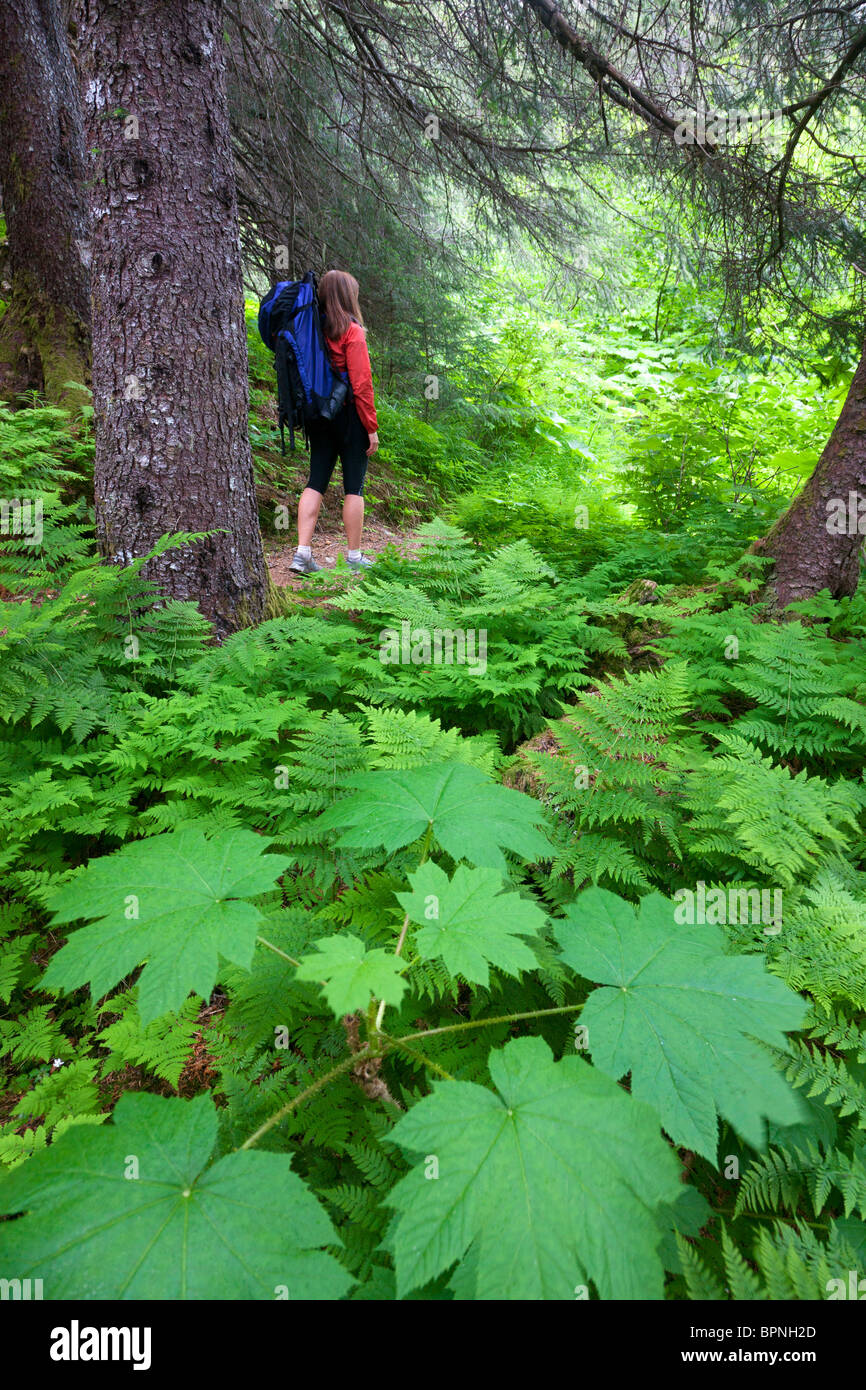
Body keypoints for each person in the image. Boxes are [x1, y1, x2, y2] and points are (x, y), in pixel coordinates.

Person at [289, 269, 379, 574]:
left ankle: (302, 554)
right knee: (354, 487)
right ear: (347, 296)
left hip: (319, 415)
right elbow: (362, 383)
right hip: (350, 416)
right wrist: (371, 427)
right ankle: (354, 558)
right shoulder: (353, 332)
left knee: (315, 481)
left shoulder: (314, 329)